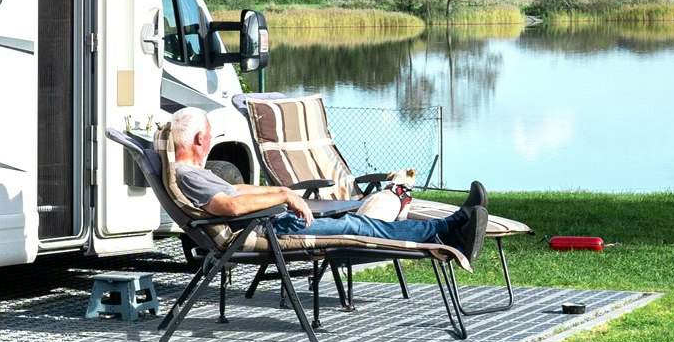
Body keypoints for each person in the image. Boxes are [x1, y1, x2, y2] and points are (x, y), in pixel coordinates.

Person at [160, 107, 488, 263]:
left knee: (360, 223)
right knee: (356, 226)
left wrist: (283, 192)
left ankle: (450, 226)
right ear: (202, 138)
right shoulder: (189, 175)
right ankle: (447, 230)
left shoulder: (193, 173)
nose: (211, 139)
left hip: (269, 224)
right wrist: (285, 197)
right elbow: (229, 206)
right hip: (267, 232)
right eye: (210, 134)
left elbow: (237, 192)